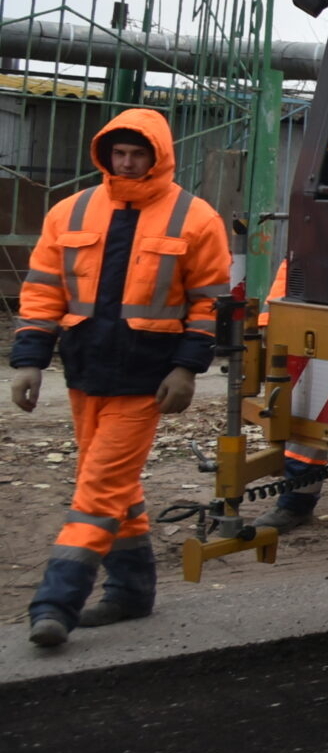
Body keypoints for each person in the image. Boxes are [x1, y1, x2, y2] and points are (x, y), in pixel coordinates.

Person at [11, 109, 230, 647]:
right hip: (84, 371)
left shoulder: (195, 218)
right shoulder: (71, 211)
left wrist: (186, 369)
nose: (127, 162)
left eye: (137, 154)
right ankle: (132, 591)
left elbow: (208, 304)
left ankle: (55, 603)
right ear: (105, 154)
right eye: (119, 153)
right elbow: (43, 292)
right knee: (112, 486)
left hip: (146, 379)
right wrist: (28, 360)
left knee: (97, 488)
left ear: (158, 156)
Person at [249, 256, 328, 534]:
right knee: (308, 412)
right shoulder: (324, 227)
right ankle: (296, 501)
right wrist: (271, 319)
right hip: (327, 322)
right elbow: (299, 257)